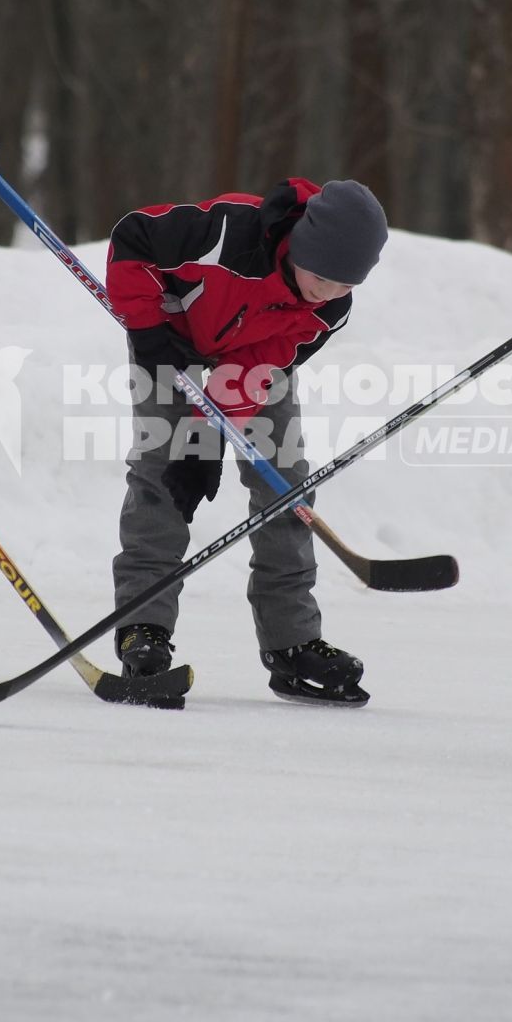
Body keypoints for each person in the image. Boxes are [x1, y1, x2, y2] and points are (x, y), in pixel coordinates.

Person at [104, 178, 390, 705]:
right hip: (169, 341)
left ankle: (292, 643)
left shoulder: (328, 308)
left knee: (284, 488)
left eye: (345, 284)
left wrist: (208, 431)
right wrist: (148, 332)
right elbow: (131, 239)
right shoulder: (226, 235)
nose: (328, 292)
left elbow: (266, 361)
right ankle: (143, 630)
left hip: (253, 359)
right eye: (322, 276)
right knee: (163, 478)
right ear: (302, 246)